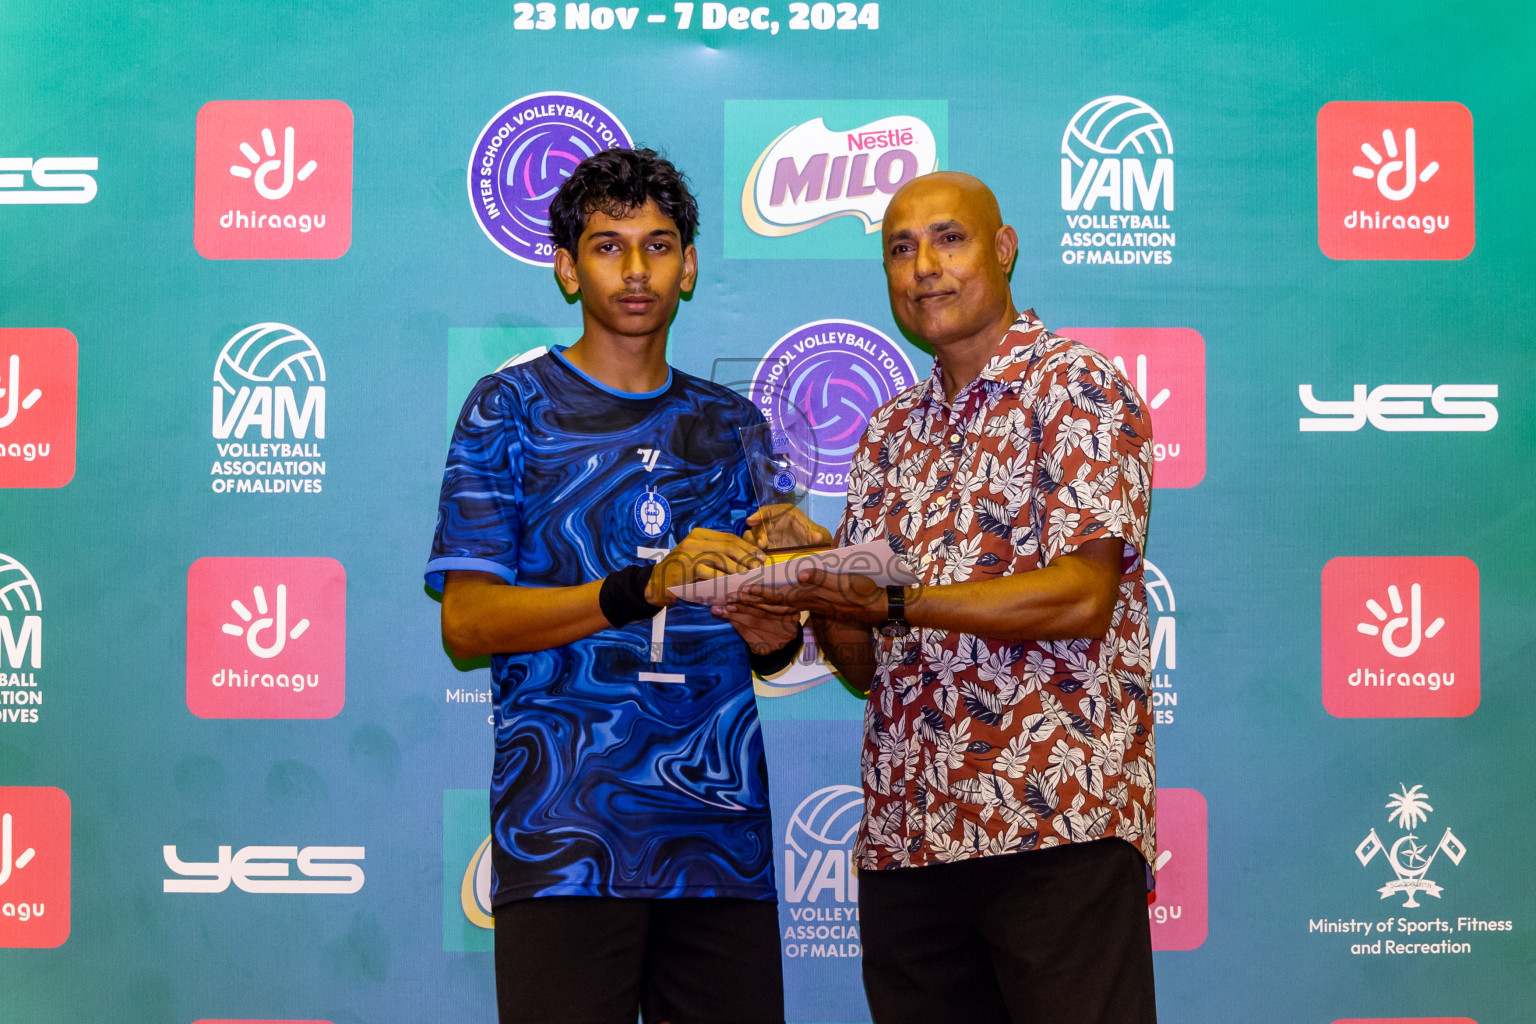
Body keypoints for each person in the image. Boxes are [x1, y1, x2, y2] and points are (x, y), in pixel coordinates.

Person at [725, 171, 1158, 1023]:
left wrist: (892, 602)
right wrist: (810, 589)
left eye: (949, 239)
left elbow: (1081, 598)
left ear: (1003, 249)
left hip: (1052, 832)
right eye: (900, 248)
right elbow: (865, 665)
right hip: (909, 844)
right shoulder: (888, 432)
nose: (924, 266)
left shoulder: (1077, 388)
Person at [426, 147, 805, 1024]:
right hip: (566, 839)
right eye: (608, 246)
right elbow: (469, 623)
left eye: (659, 245)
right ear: (566, 267)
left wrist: (774, 611)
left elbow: (778, 651)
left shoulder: (734, 424)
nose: (637, 270)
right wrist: (639, 589)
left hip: (720, 843)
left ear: (691, 265)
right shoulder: (507, 409)